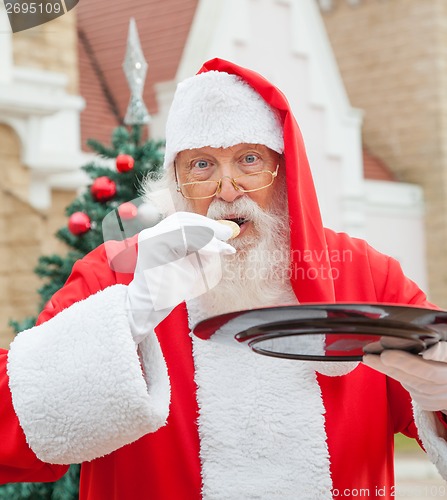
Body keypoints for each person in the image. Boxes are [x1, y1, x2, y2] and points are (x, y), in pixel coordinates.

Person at [1, 58, 447, 500]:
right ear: (176, 182)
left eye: (249, 160)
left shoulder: (363, 272)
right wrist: (127, 316)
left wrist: (442, 394)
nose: (227, 189)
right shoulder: (117, 271)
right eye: (201, 166)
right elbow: (16, 419)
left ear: (285, 172)